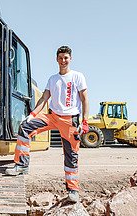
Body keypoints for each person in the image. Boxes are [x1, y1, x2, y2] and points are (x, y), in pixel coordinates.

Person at [5, 45, 89, 203]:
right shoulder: (52, 79)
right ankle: (22, 165)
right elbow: (44, 99)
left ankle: (73, 190)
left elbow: (85, 99)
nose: (63, 60)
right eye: (60, 58)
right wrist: (32, 114)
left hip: (70, 120)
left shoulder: (78, 76)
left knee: (71, 155)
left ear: (70, 59)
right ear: (56, 59)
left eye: (66, 58)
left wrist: (84, 121)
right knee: (25, 127)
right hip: (52, 116)